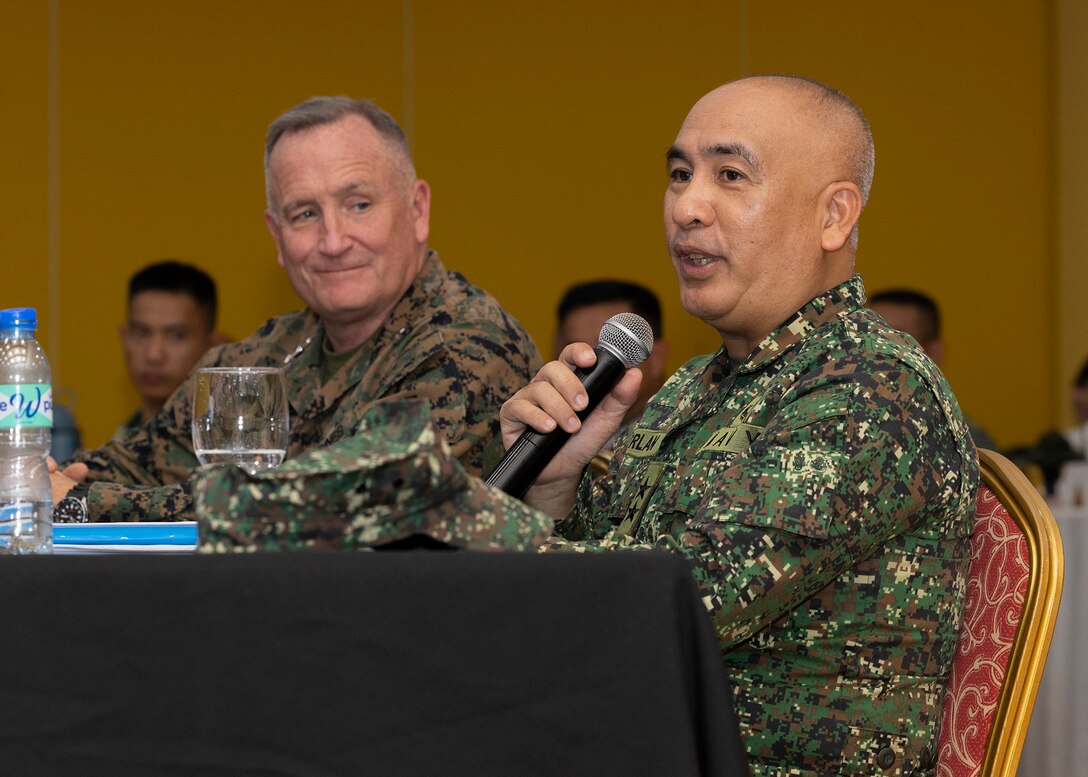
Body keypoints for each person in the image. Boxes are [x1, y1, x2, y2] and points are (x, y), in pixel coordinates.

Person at [496, 76, 977, 775]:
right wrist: (551, 488)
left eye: (729, 175)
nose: (687, 207)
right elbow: (606, 578)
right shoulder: (695, 385)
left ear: (834, 215)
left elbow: (672, 602)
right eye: (679, 174)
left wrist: (469, 536)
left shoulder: (870, 385)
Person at [49, 96, 541, 524]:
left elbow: (333, 506)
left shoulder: (466, 344)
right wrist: (45, 480)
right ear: (277, 237)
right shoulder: (259, 356)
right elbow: (141, 461)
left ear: (417, 210)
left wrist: (83, 502)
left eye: (359, 204)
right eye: (305, 213)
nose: (333, 240)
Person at [868, 287, 998, 449]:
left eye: (895, 340)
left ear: (933, 354)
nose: (875, 350)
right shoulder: (838, 420)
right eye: (869, 335)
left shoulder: (963, 443)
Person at [552, 279, 669, 450]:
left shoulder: (679, 438)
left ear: (657, 357)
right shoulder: (556, 433)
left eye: (610, 348)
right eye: (574, 347)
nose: (588, 361)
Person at [114, 260, 224, 440]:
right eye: (141, 333)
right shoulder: (119, 446)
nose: (153, 355)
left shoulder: (232, 449)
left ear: (214, 346)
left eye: (176, 336)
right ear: (124, 337)